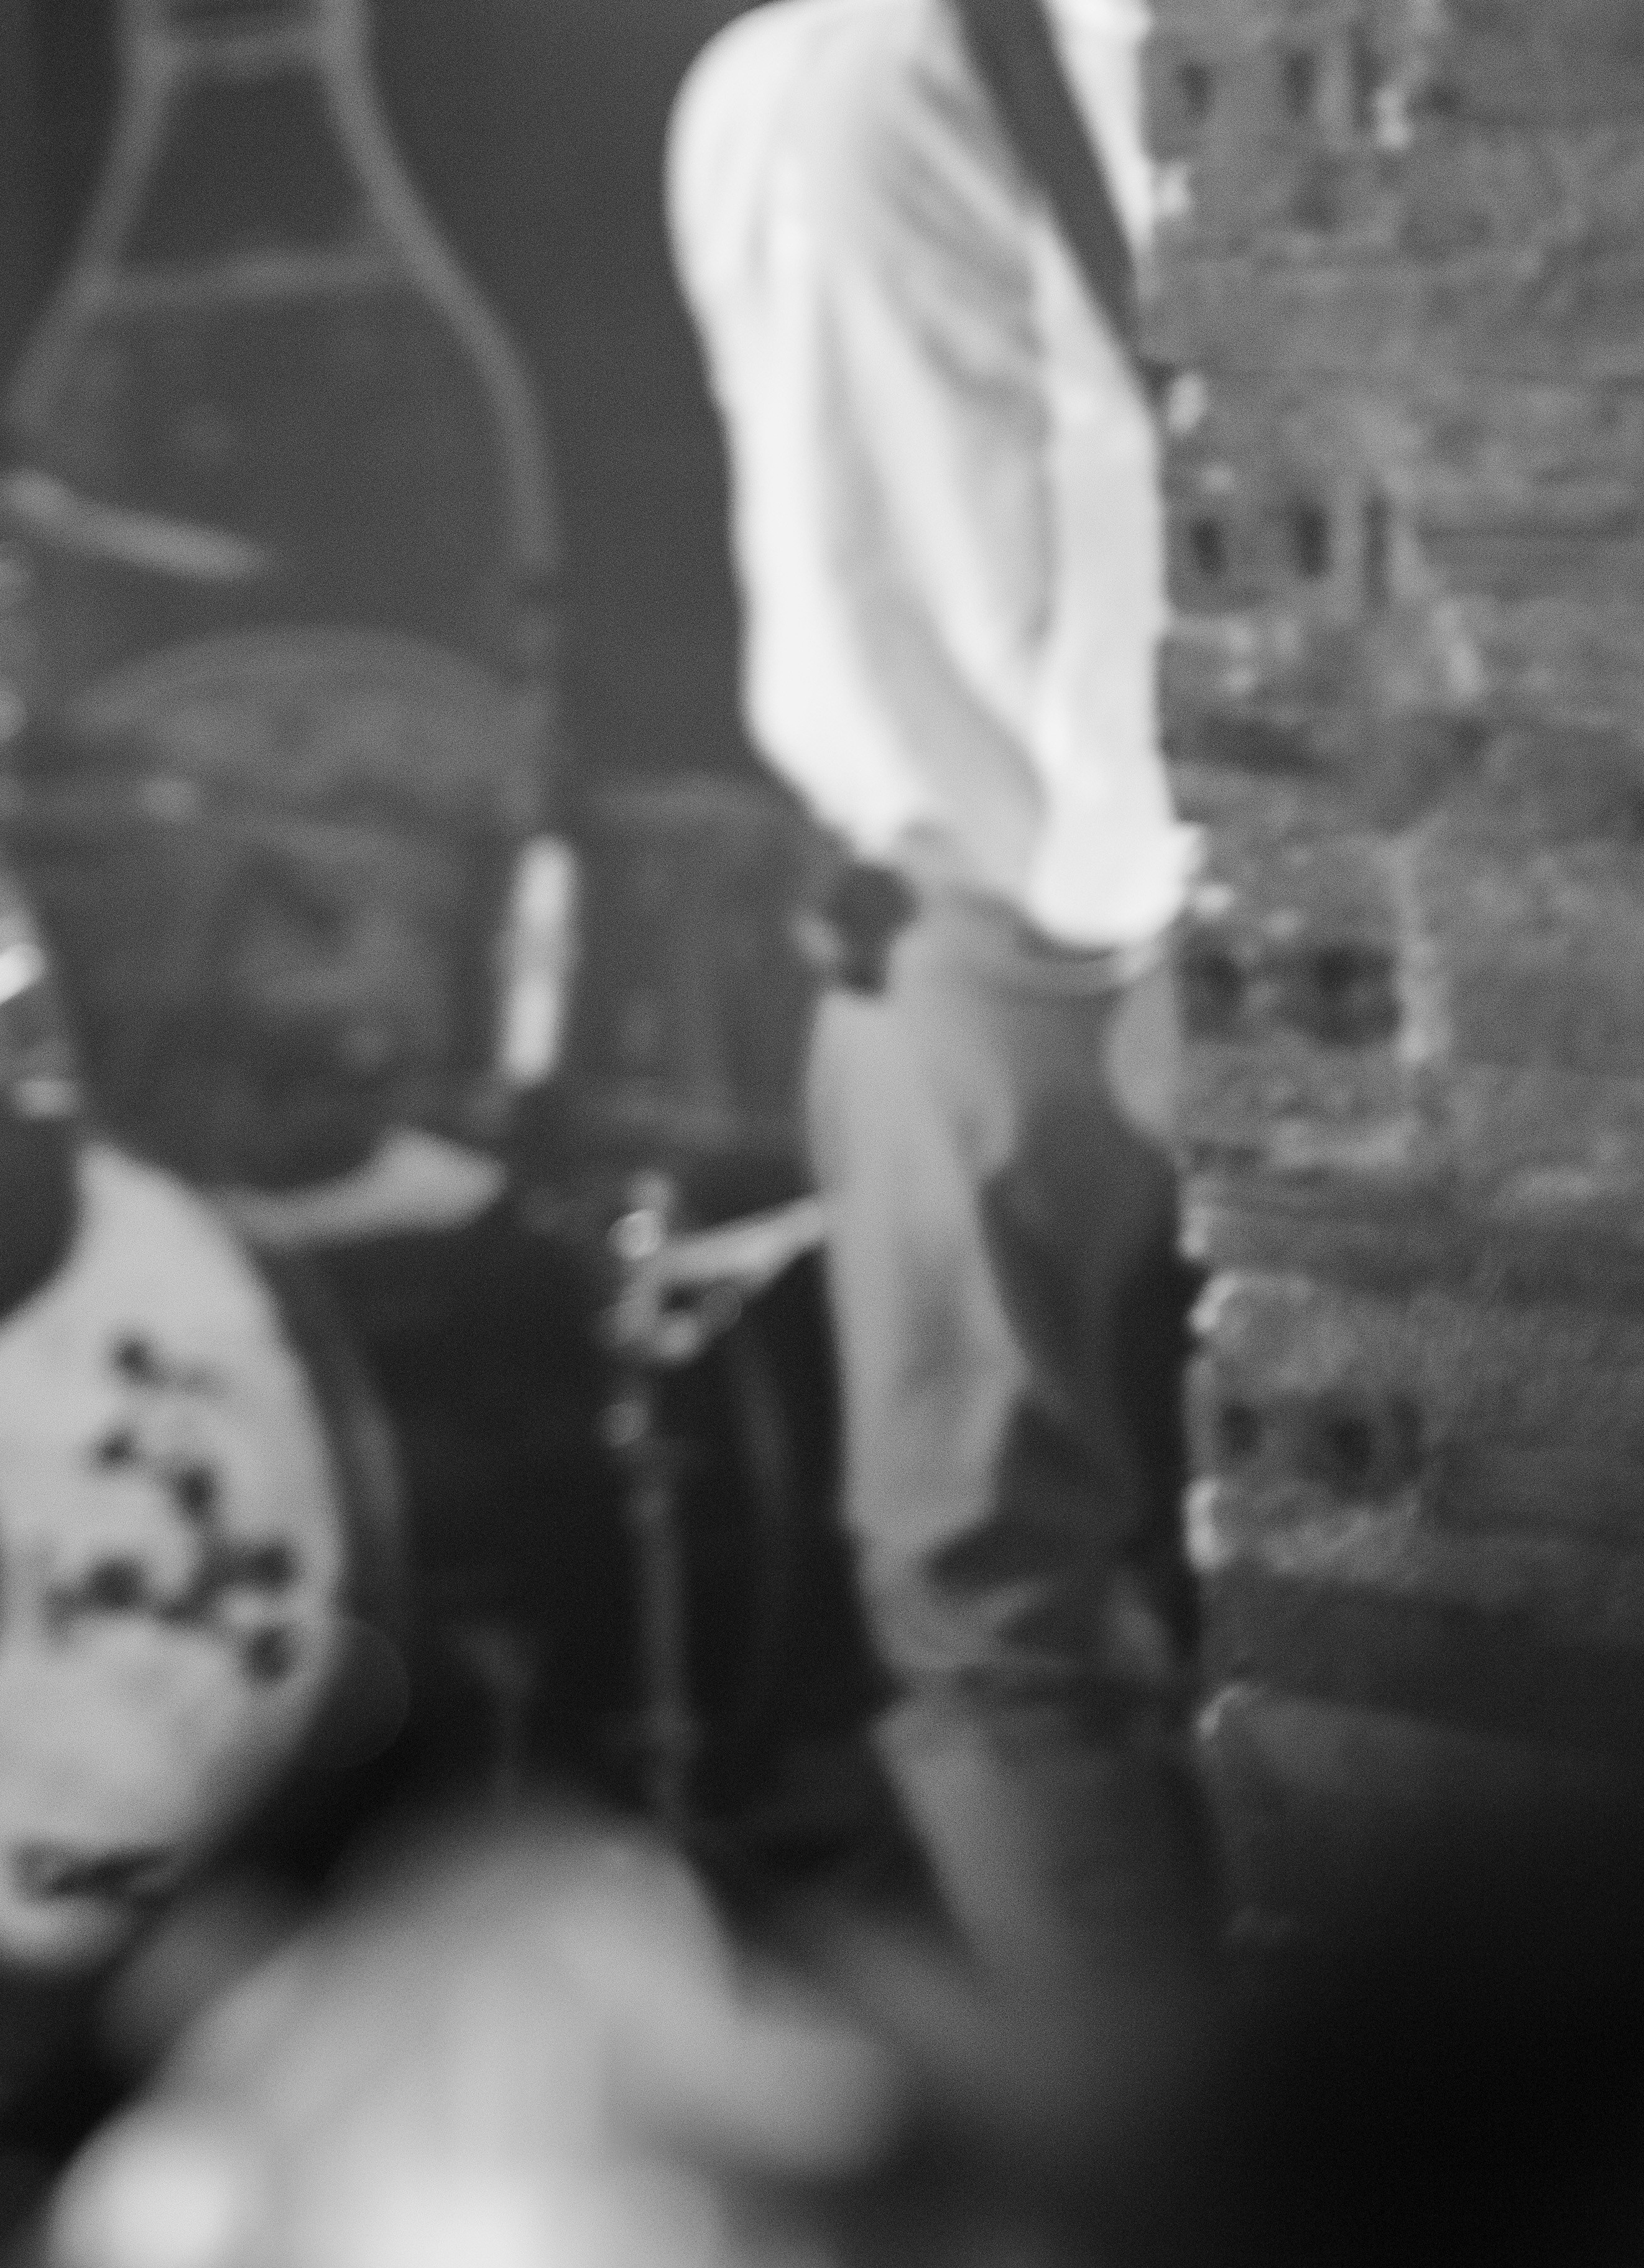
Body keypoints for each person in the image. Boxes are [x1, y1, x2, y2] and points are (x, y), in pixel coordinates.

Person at [667, 0, 1217, 2003]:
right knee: (1128, 1572)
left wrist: (1111, 885)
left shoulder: (783, 81)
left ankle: (1168, 2150)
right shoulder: (980, 59)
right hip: (1080, 895)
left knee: (998, 1609)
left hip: (991, 910)